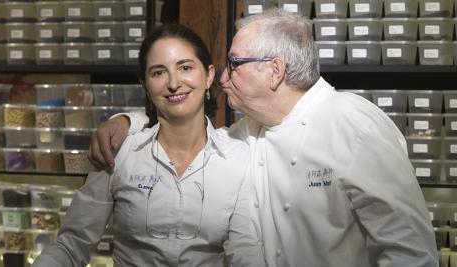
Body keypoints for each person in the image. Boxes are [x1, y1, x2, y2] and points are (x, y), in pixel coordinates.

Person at [89, 9, 438, 267]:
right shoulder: (250, 131)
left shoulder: (353, 123)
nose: (223, 78)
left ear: (274, 71)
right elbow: (186, 132)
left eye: (235, 63)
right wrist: (127, 122)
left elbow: (410, 253)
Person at [33, 23, 265, 267]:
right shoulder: (120, 150)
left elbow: (245, 249)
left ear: (208, 76)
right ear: (144, 84)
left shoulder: (237, 155)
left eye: (185, 67)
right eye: (158, 73)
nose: (174, 83)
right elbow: (73, 243)